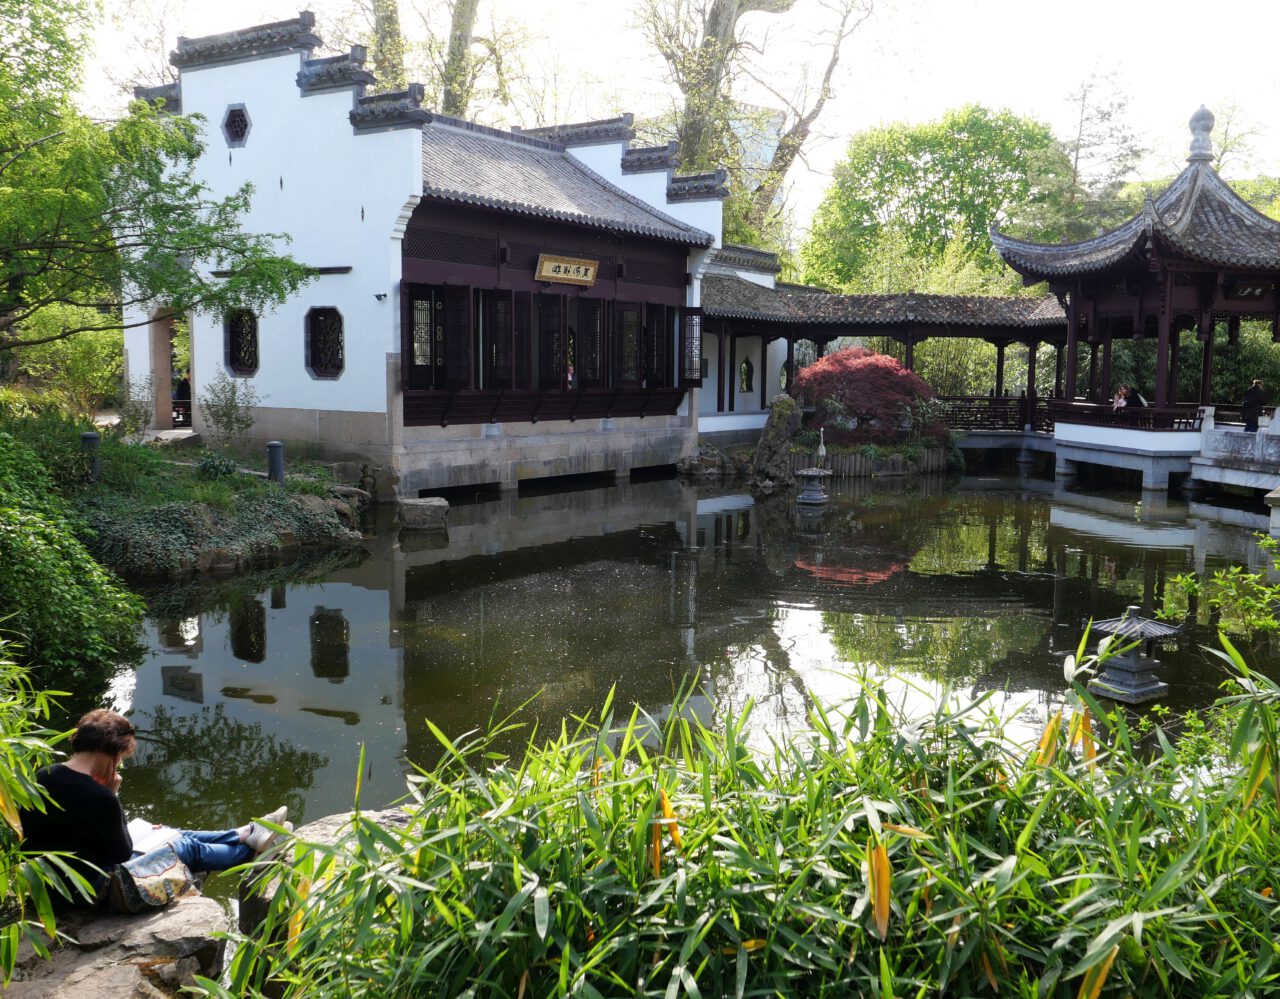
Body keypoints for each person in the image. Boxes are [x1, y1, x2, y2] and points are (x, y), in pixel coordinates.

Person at [18, 709, 291, 907]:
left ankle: (245, 832)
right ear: (114, 754)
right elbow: (121, 853)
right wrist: (112, 795)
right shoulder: (101, 796)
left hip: (51, 886)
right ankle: (253, 848)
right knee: (185, 847)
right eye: (121, 758)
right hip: (91, 890)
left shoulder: (44, 775)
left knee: (168, 831)